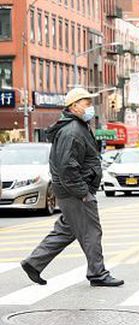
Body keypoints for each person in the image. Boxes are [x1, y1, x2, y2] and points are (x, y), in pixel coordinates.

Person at [20, 88, 123, 287]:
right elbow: (67, 166)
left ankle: (34, 263)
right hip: (75, 192)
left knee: (65, 230)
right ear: (74, 106)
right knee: (92, 231)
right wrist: (83, 193)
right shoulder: (73, 131)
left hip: (72, 191)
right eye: (86, 103)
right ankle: (98, 273)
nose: (90, 107)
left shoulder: (78, 126)